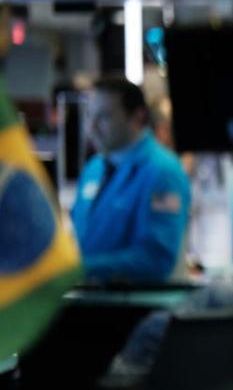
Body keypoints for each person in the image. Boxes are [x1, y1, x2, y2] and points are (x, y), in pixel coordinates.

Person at [71, 77, 190, 283]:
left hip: (138, 307)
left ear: (137, 116)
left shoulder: (163, 172)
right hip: (90, 300)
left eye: (104, 117)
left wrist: (81, 268)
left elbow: (155, 260)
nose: (92, 126)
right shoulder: (94, 168)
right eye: (90, 115)